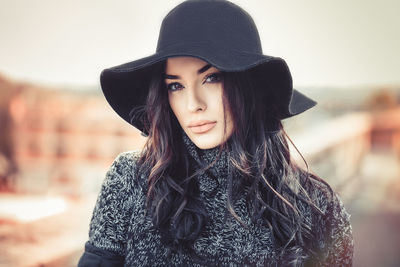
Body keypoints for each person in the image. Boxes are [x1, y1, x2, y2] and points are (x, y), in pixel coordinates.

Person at [78, 0, 354, 266]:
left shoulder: (318, 206)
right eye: (176, 86)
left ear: (248, 84)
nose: (193, 104)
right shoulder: (131, 179)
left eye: (211, 78)